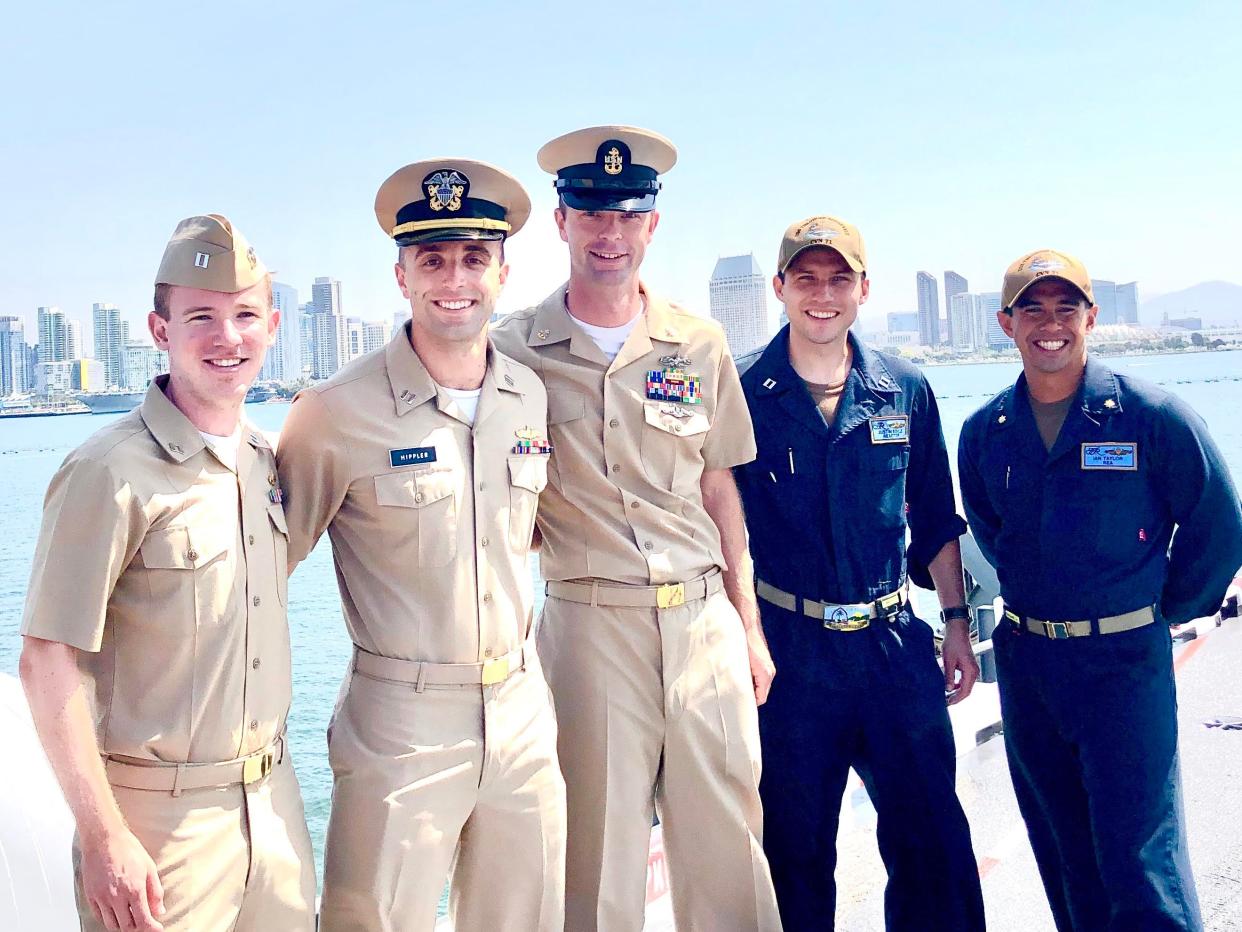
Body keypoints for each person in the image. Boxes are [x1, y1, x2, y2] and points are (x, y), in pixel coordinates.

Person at [491, 125, 782, 931]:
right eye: (591, 213)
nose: (609, 234)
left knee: (729, 850)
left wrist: (747, 629)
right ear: (561, 222)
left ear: (652, 225)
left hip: (701, 623)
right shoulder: (513, 350)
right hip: (589, 627)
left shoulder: (697, 342)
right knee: (597, 858)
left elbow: (719, 486)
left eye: (627, 215)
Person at [276, 159, 564, 931]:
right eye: (431, 260)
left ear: (503, 273)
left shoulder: (527, 396)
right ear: (400, 275)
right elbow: (263, 571)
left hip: (521, 712)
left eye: (474, 258)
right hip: (400, 725)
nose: (454, 279)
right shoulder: (335, 412)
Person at [18, 215, 316, 932]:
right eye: (201, 318)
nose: (228, 338)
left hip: (275, 808)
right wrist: (103, 836)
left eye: (245, 315)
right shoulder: (107, 470)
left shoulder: (263, 462)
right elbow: (46, 659)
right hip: (158, 827)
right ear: (160, 329)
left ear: (272, 326)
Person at [958, 249, 1242, 931]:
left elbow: (1219, 523)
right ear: (1006, 323)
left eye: (1065, 309)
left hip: (1123, 667)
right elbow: (996, 539)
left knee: (1141, 863)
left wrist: (1162, 609)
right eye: (1033, 309)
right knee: (1066, 859)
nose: (1049, 324)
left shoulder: (1149, 416)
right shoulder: (985, 433)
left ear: (1091, 317)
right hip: (1030, 666)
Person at [732, 215, 986, 931]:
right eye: (805, 279)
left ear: (863, 290)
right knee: (793, 855)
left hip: (892, 645)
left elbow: (935, 519)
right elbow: (717, 527)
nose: (822, 294)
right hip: (789, 654)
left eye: (838, 279)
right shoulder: (743, 390)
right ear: (780, 288)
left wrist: (958, 627)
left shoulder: (904, 388)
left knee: (934, 845)